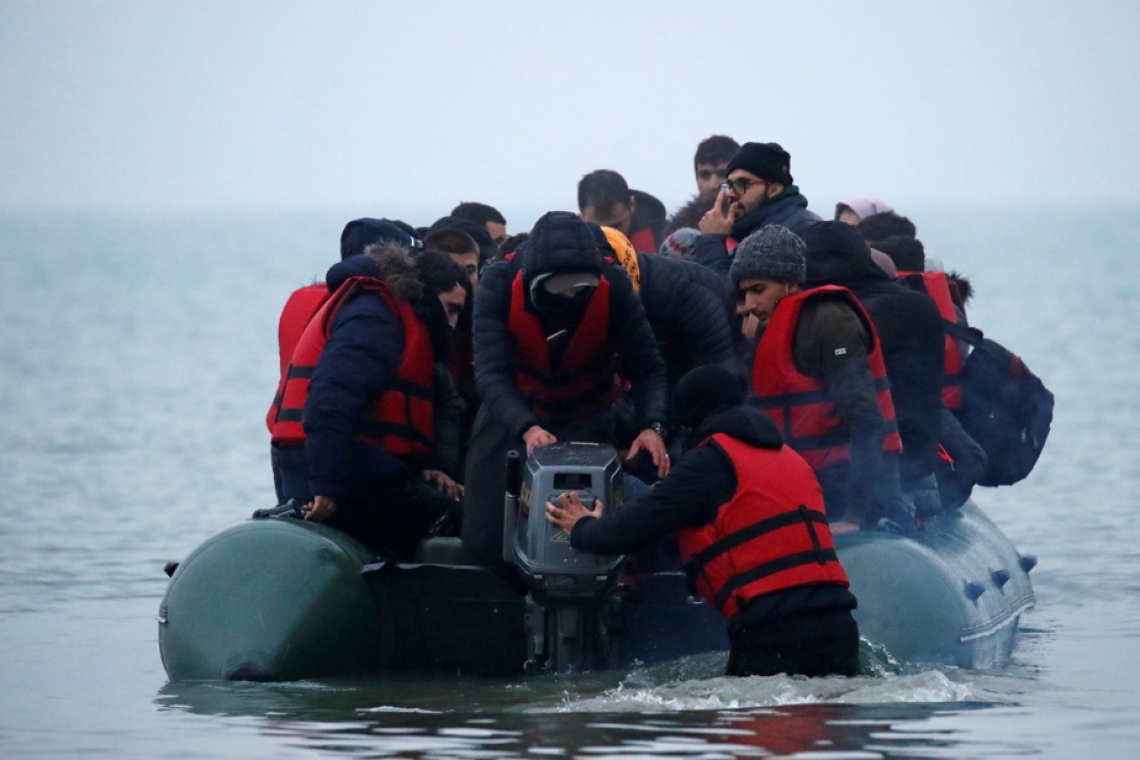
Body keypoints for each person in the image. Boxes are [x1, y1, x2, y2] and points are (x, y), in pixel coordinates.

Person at [546, 365, 860, 678]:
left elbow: (631, 529)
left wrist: (582, 527)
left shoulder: (709, 462)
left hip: (773, 629)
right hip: (840, 625)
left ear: (689, 416)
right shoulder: (791, 457)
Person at [461, 211, 670, 578]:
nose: (572, 299)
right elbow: (491, 375)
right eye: (562, 290)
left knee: (589, 536)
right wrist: (527, 428)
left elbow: (648, 367)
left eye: (581, 290)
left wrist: (652, 425)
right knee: (484, 539)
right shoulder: (497, 284)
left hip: (587, 416)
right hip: (511, 415)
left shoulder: (614, 286)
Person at [267, 243, 469, 559]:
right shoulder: (376, 320)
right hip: (324, 462)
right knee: (456, 519)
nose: (453, 324)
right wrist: (327, 485)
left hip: (348, 460)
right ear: (427, 295)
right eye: (451, 309)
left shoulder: (393, 316)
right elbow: (328, 401)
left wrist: (428, 467)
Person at [731, 226, 902, 532]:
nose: (750, 304)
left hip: (852, 489)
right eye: (745, 294)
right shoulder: (766, 328)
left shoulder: (830, 321)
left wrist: (853, 517)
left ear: (792, 282)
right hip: (804, 483)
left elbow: (867, 422)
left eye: (759, 290)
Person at [268, 217, 422, 502]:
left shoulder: (328, 304)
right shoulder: (370, 315)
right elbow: (330, 398)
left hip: (292, 451)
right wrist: (326, 486)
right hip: (331, 458)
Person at [799, 222, 944, 522]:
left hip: (887, 481)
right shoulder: (917, 303)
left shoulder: (853, 317)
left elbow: (862, 415)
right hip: (924, 472)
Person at [693, 142, 821, 274]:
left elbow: (727, 292)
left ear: (774, 189)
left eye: (742, 183)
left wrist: (712, 241)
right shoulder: (746, 228)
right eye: (730, 185)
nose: (730, 193)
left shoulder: (797, 232)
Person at [577, 169, 666, 254]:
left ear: (632, 205)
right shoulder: (566, 244)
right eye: (598, 229)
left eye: (616, 227)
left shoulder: (667, 243)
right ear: (582, 216)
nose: (608, 238)